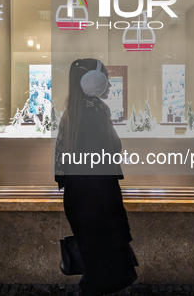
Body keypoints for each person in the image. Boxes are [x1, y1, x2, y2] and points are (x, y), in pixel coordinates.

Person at [55, 58, 137, 296]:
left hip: (78, 195)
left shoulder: (72, 111)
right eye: (106, 79)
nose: (109, 85)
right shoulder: (98, 111)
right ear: (94, 82)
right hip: (99, 196)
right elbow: (112, 149)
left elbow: (63, 160)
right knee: (106, 263)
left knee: (93, 258)